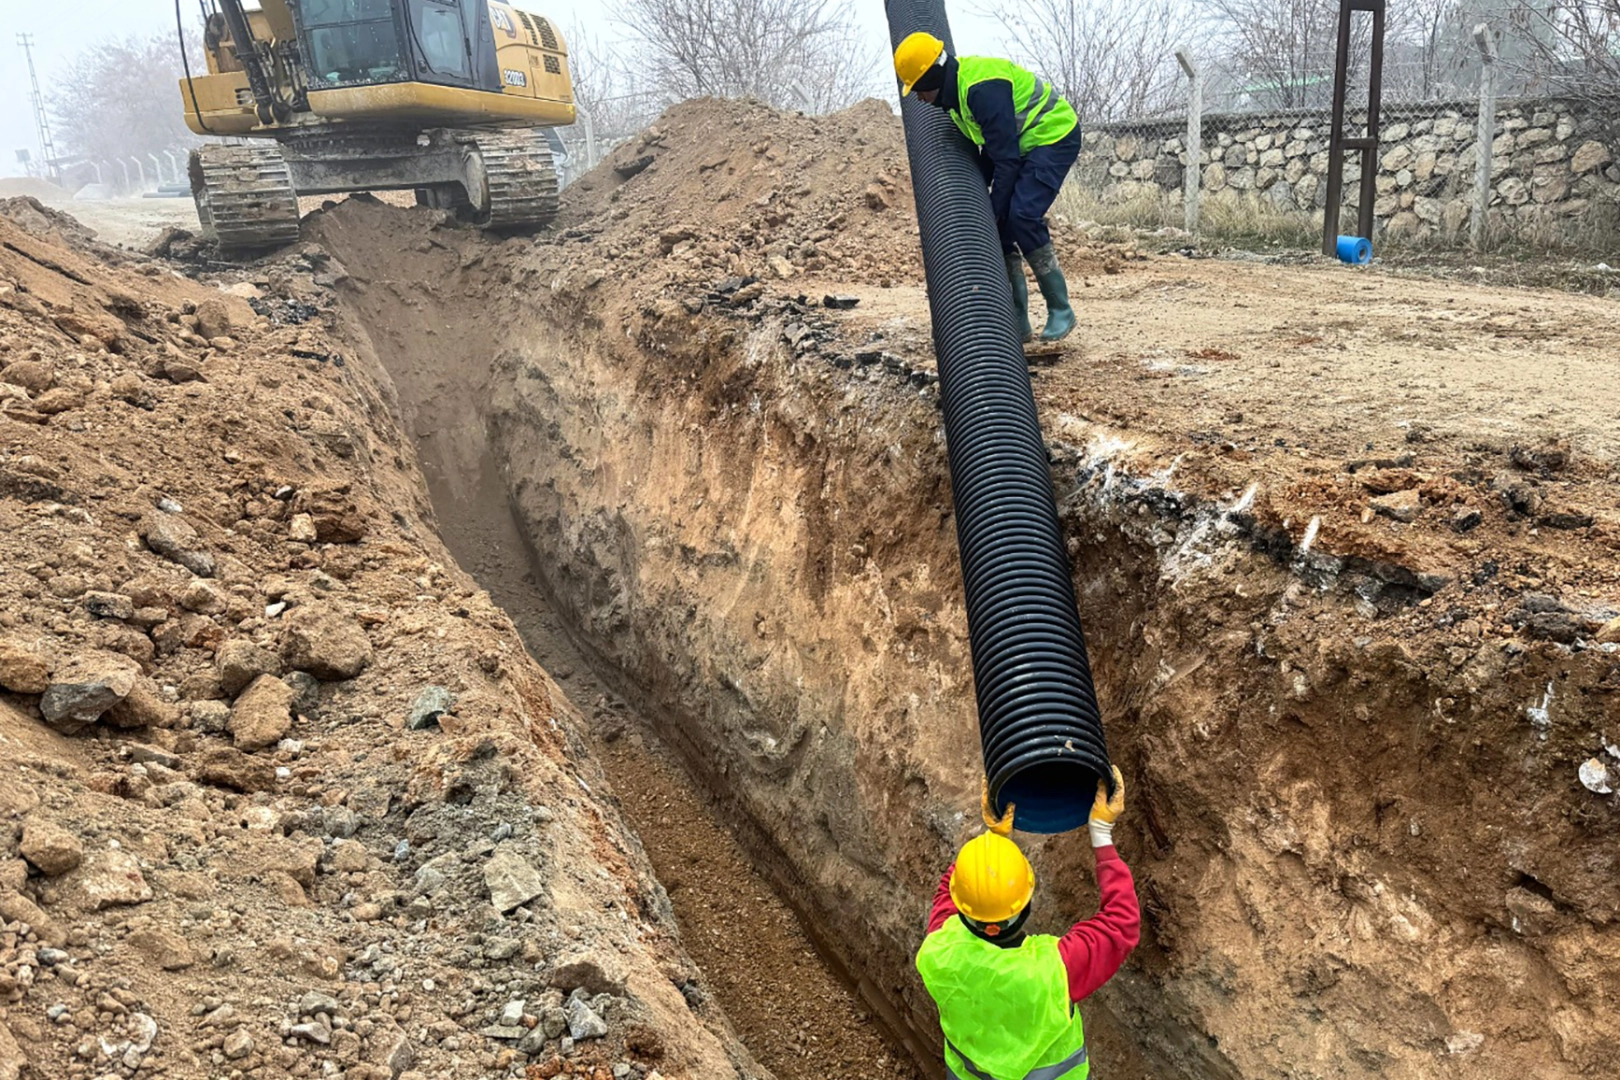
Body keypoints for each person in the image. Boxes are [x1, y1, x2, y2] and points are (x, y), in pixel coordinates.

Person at [916, 769, 1139, 1080]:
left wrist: (992, 843)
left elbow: (952, 891)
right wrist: (1101, 832)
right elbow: (1120, 924)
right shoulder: (1052, 971)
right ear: (1026, 904)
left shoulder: (937, 951)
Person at [893, 33, 1084, 343]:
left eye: (917, 89)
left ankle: (1061, 308)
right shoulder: (955, 96)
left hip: (1053, 135)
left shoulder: (981, 89)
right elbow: (991, 150)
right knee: (1003, 226)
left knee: (1021, 215)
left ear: (931, 77)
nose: (917, 98)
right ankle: (1017, 319)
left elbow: (1005, 160)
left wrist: (993, 212)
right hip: (1022, 145)